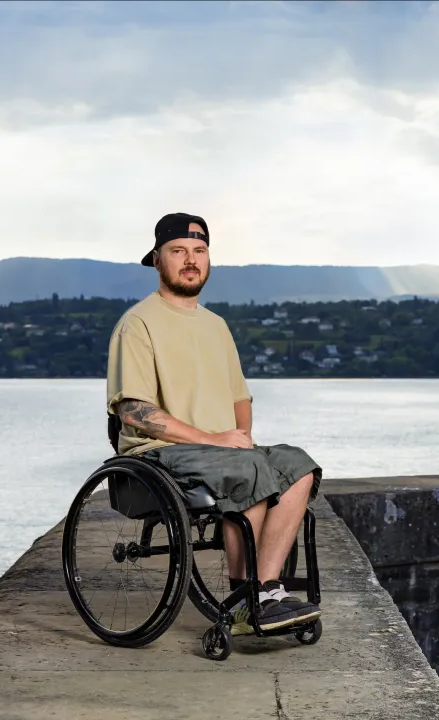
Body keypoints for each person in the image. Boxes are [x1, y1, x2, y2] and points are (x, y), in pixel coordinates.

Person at [105, 212, 323, 636]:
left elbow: (240, 397)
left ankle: (266, 589)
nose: (191, 260)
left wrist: (241, 438)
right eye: (179, 251)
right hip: (159, 453)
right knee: (247, 469)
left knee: (299, 466)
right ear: (157, 260)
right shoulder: (138, 323)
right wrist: (214, 440)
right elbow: (131, 410)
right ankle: (246, 598)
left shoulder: (216, 326)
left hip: (219, 450)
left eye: (199, 251)